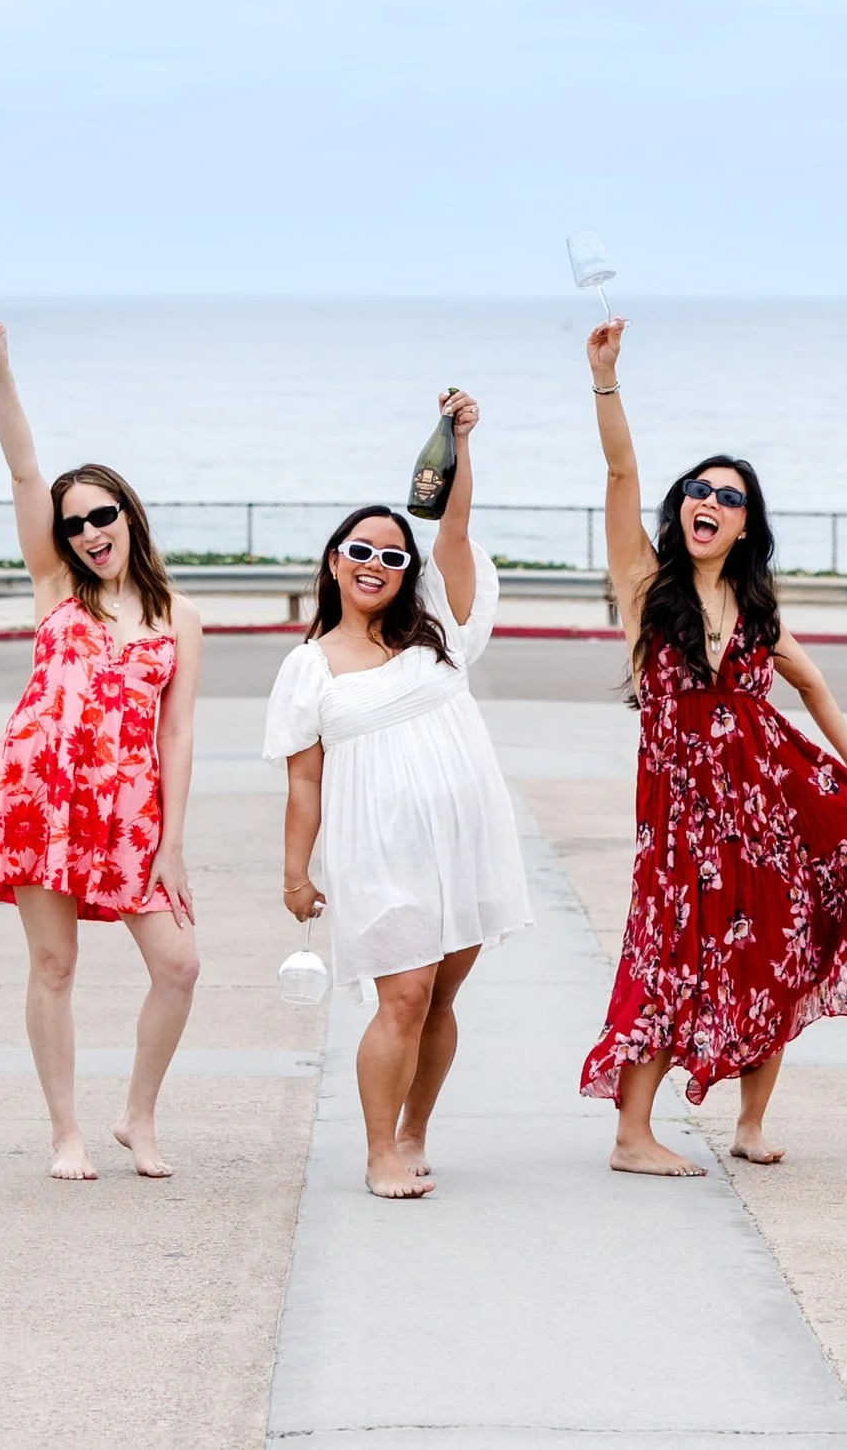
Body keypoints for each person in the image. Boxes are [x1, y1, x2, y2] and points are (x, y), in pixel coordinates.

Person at [577, 320, 847, 1175]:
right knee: (663, 951)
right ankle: (631, 1135)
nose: (706, 503)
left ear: (746, 524)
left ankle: (752, 1123)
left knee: (779, 949)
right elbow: (619, 473)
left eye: (726, 497)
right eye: (695, 491)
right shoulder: (647, 588)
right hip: (679, 823)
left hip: (762, 816)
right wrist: (606, 379)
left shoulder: (758, 612)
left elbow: (815, 686)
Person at [264, 389, 528, 1199]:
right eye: (362, 550)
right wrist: (294, 872)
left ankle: (416, 1131)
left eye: (393, 554)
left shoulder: (439, 631)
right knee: (403, 994)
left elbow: (453, 527)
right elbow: (303, 779)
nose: (377, 563)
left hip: (464, 840)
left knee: (440, 997)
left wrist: (458, 440)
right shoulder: (308, 665)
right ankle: (379, 1150)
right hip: (376, 850)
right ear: (335, 560)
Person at [0, 316, 204, 1181]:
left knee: (180, 962)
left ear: (129, 516)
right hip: (41, 796)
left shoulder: (179, 616)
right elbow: (25, 468)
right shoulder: (56, 584)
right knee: (54, 962)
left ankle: (136, 1114)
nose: (91, 531)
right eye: (75, 524)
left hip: (132, 811)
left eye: (104, 514)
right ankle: (65, 1129)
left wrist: (172, 842)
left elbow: (175, 731)